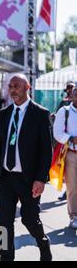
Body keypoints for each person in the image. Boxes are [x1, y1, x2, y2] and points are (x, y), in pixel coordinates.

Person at [0, 74, 53, 261]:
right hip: (6, 178)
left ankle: (42, 241)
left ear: (27, 87)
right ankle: (5, 257)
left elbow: (46, 151)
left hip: (29, 180)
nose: (13, 90)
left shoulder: (40, 114)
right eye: (10, 86)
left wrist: (41, 178)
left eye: (16, 86)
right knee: (4, 223)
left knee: (29, 219)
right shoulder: (5, 114)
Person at [53, 86, 77, 229]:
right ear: (72, 95)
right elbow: (57, 132)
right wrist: (71, 139)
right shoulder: (65, 112)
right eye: (75, 93)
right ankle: (73, 215)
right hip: (70, 154)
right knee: (72, 187)